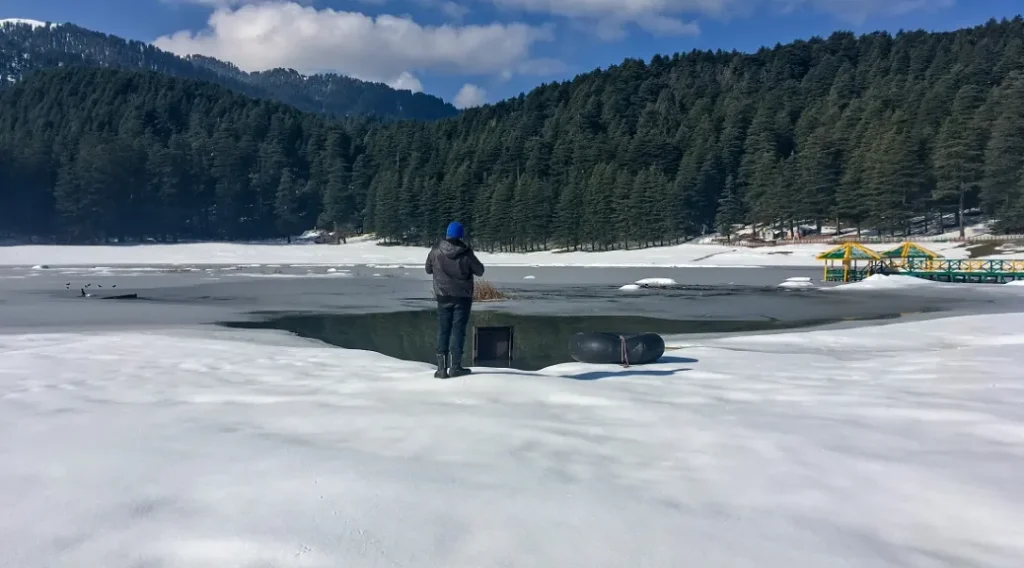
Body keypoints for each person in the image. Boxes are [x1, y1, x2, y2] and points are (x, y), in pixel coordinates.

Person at [425, 221, 485, 378]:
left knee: (443, 330)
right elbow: (480, 271)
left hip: (443, 296)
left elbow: (427, 269)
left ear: (447, 234)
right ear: (461, 236)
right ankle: (455, 367)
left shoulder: (436, 250)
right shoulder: (466, 253)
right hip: (462, 297)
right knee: (458, 331)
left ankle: (441, 369)